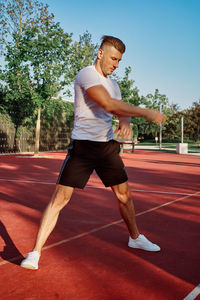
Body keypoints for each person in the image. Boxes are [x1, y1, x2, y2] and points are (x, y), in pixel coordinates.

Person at [21, 35, 165, 270]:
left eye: (119, 61)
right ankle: (35, 253)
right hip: (83, 148)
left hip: (106, 147)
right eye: (114, 59)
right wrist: (145, 112)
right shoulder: (86, 74)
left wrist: (126, 120)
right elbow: (108, 104)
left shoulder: (114, 84)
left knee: (124, 195)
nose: (116, 64)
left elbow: (119, 106)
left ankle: (135, 238)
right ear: (100, 53)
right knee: (60, 199)